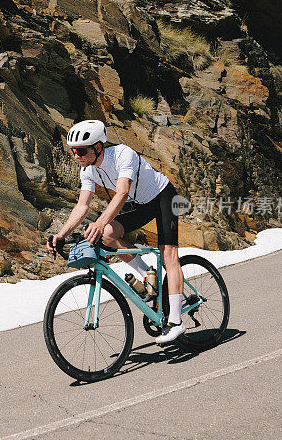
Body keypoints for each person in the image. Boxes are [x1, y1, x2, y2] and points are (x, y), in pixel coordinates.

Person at [46, 119, 186, 345]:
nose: (76, 156)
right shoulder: (88, 170)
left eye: (81, 151)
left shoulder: (122, 154)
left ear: (98, 147)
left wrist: (100, 221)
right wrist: (61, 234)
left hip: (163, 197)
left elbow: (122, 192)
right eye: (73, 151)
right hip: (140, 204)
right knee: (107, 235)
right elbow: (83, 205)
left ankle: (177, 322)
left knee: (169, 254)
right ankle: (145, 272)